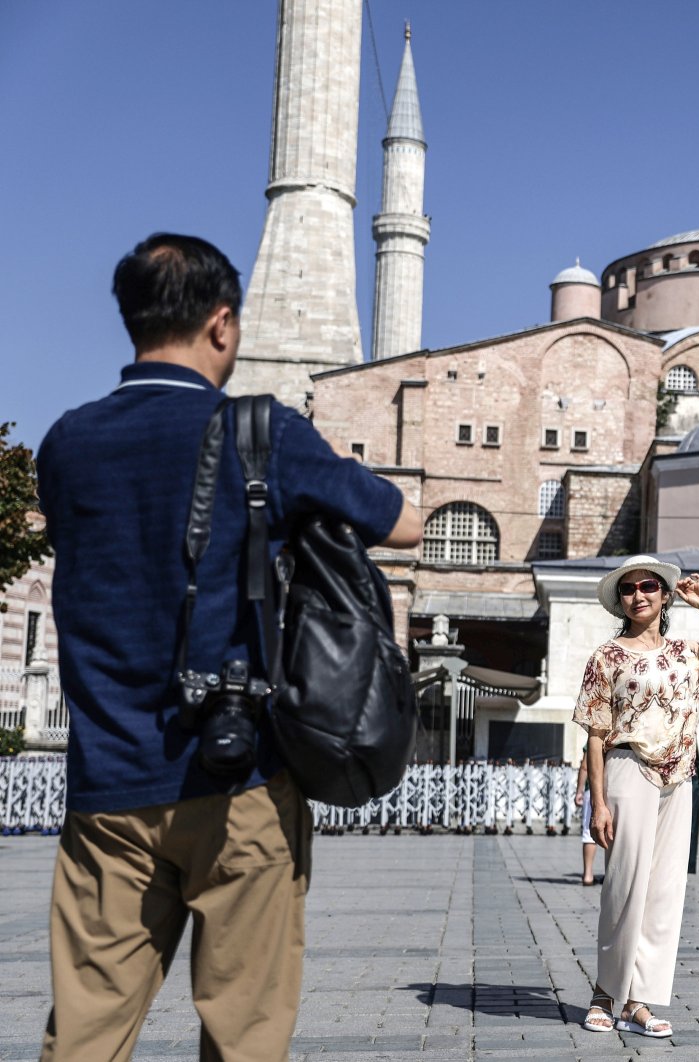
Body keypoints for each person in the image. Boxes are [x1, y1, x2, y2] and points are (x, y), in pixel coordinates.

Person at [35, 233, 423, 1060]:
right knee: (245, 1032)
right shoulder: (263, 433)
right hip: (239, 780)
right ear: (223, 325)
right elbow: (401, 521)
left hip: (106, 788)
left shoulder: (67, 444)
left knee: (84, 1035)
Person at [574, 555, 699, 1038]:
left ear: (664, 595)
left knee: (664, 893)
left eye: (649, 586)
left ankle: (639, 1000)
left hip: (679, 776)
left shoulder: (687, 652)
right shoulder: (607, 657)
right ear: (621, 600)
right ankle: (603, 992)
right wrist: (598, 802)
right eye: (630, 589)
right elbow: (595, 734)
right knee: (624, 885)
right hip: (628, 768)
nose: (639, 594)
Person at [575, 756, 598, 885]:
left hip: (593, 790)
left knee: (589, 833)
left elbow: (585, 766)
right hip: (613, 787)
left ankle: (588, 875)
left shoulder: (594, 737)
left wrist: (579, 790)